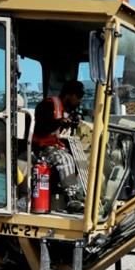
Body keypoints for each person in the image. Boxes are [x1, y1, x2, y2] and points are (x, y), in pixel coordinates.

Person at [32, 81, 86, 213]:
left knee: (80, 158)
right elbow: (41, 128)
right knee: (65, 159)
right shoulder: (47, 105)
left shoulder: (66, 111)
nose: (79, 101)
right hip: (41, 148)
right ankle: (72, 198)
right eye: (77, 98)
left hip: (53, 146)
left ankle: (83, 193)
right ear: (69, 95)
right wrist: (59, 123)